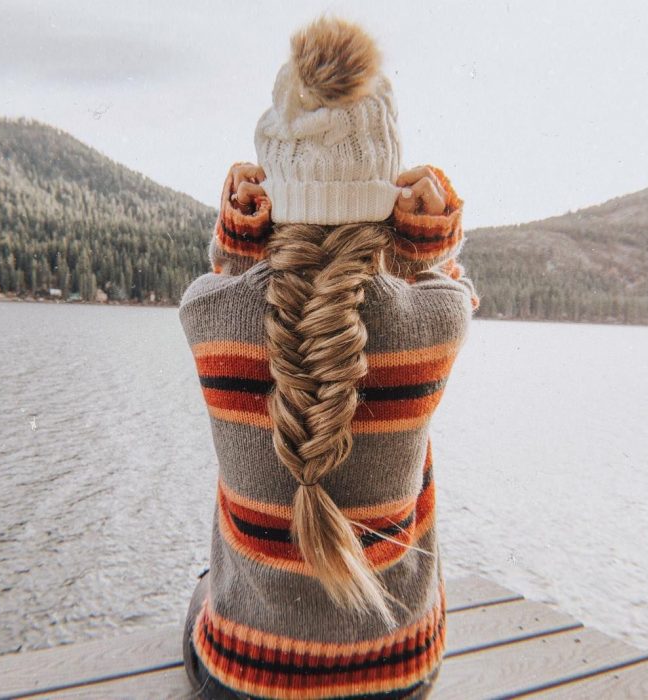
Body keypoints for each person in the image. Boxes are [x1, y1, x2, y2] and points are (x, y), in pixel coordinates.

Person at [178, 13, 480, 700]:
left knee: (203, 588)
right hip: (400, 673)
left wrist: (240, 227)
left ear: (272, 185)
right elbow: (448, 280)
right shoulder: (437, 321)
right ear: (389, 193)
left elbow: (228, 270)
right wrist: (427, 232)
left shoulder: (208, 314)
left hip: (245, 677)